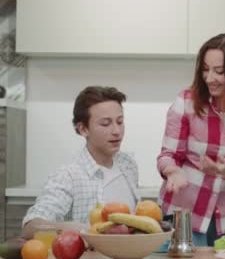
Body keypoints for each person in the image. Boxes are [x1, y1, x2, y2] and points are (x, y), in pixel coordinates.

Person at [157, 32, 225, 246]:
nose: (209, 78)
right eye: (205, 70)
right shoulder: (186, 102)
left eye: (219, 71)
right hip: (184, 216)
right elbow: (168, 155)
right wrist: (173, 171)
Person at [22, 86, 139, 238]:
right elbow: (31, 227)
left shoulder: (128, 164)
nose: (117, 131)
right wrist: (86, 230)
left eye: (120, 121)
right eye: (105, 124)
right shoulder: (68, 176)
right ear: (83, 129)